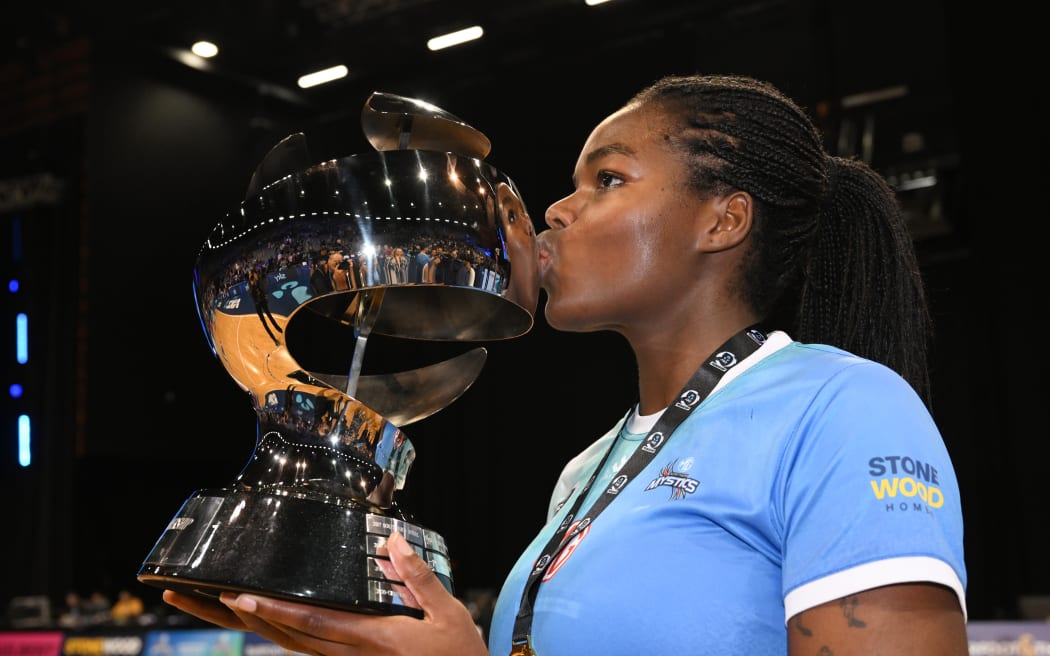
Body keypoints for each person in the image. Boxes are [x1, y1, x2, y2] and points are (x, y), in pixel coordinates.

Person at [162, 73, 968, 654]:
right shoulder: (587, 469)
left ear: (723, 221)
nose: (556, 208)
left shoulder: (841, 407)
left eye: (608, 178)